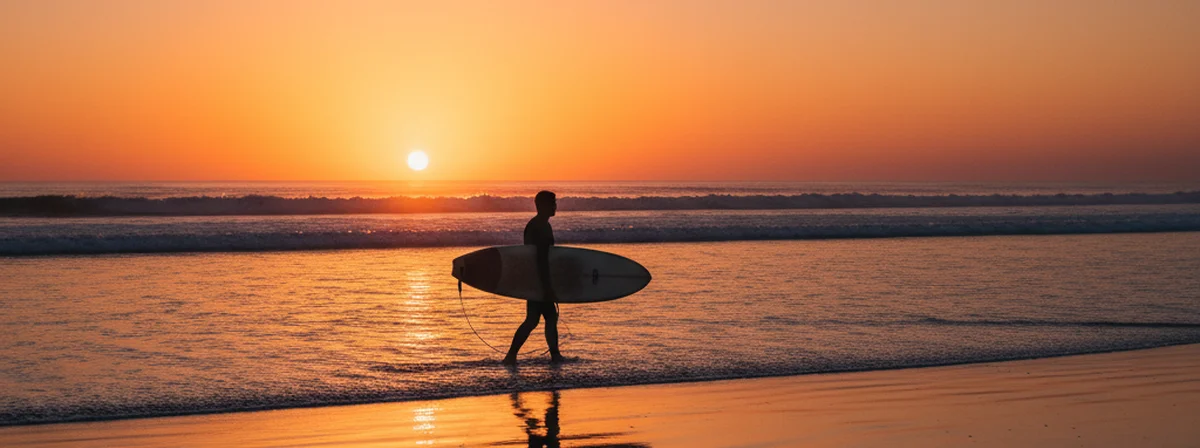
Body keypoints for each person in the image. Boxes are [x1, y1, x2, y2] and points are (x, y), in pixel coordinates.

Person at [503, 190, 564, 365]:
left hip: (533, 279)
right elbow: (541, 258)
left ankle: (513, 355)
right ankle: (513, 355)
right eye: (553, 203)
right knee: (540, 319)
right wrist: (547, 285)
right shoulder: (540, 226)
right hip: (538, 280)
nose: (555, 206)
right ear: (543, 205)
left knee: (537, 319)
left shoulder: (538, 224)